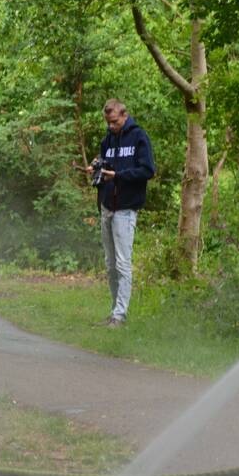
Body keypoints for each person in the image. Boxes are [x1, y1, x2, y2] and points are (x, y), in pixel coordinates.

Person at [87, 99, 155, 328]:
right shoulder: (107, 140)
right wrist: (95, 167)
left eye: (114, 122)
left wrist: (118, 176)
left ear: (124, 116)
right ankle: (114, 311)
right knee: (110, 265)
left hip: (126, 208)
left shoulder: (139, 137)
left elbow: (147, 170)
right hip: (107, 206)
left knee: (123, 264)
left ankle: (120, 316)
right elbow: (104, 163)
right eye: (108, 122)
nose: (111, 126)